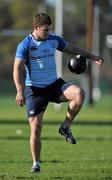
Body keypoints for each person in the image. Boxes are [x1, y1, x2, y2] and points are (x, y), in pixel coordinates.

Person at [13, 12, 103, 173]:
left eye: (49, 30)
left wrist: (92, 57)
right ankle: (36, 164)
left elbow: (72, 48)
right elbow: (17, 69)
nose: (48, 33)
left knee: (79, 94)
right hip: (34, 90)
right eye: (45, 30)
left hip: (54, 85)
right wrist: (20, 91)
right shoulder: (25, 45)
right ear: (36, 28)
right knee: (35, 128)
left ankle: (65, 127)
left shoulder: (53, 39)